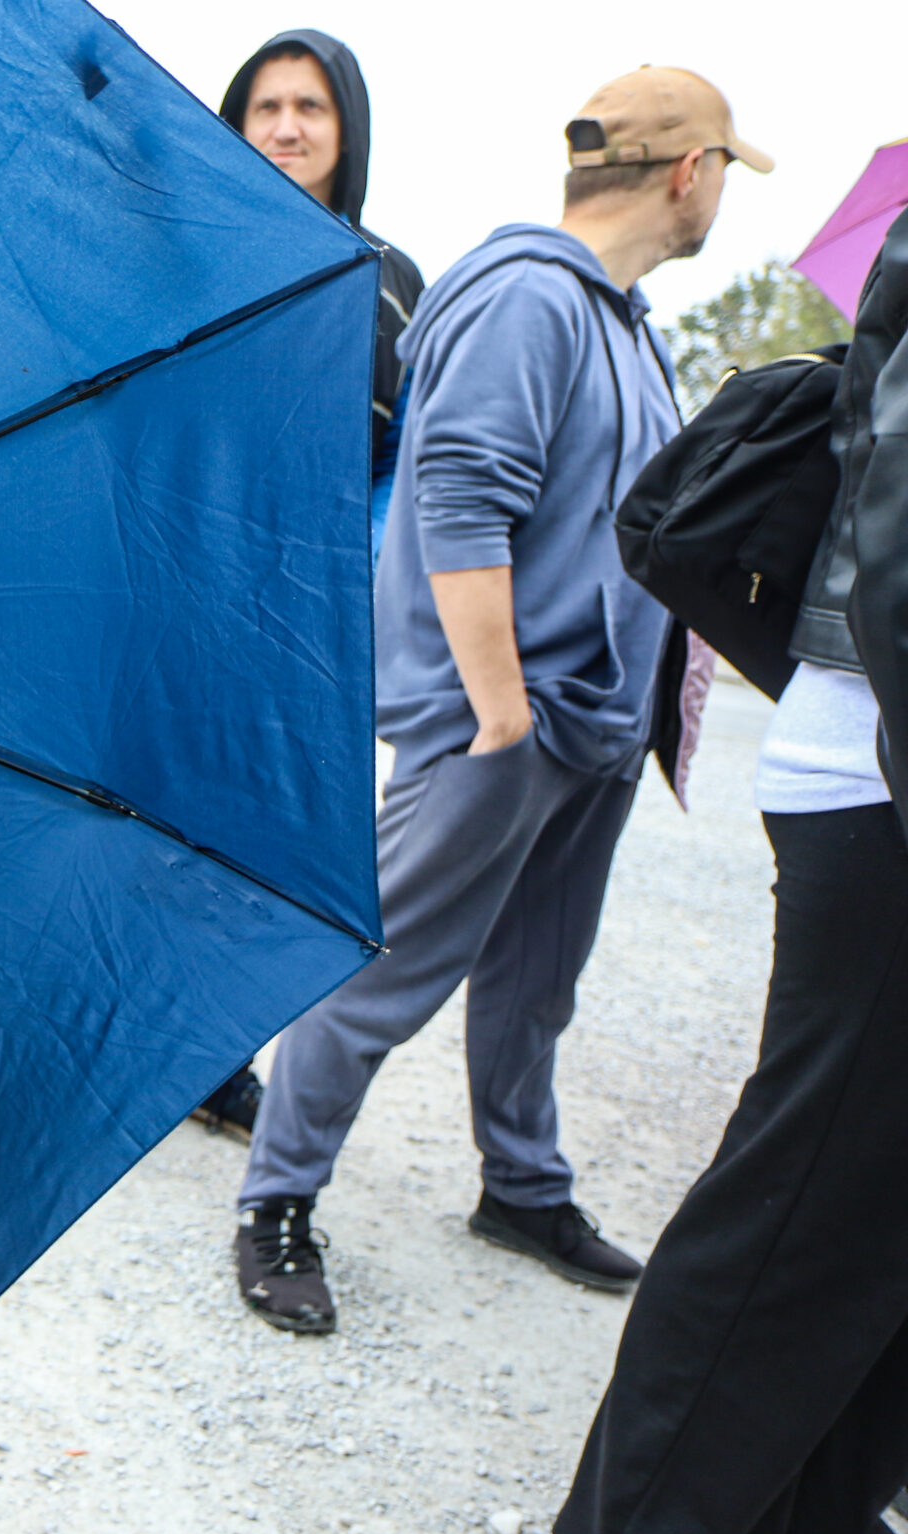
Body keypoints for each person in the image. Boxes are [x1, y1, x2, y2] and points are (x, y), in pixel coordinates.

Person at [231, 67, 768, 1335]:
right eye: (726, 173)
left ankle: (522, 1184)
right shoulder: (528, 298)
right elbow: (461, 500)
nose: (722, 195)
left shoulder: (624, 320)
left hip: (591, 721)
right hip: (510, 717)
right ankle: (276, 1200)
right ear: (688, 173)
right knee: (386, 971)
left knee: (537, 979)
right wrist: (501, 707)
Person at [546, 206, 908, 1534]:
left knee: (880, 1179)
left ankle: (818, 1494)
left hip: (871, 744)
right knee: (814, 1169)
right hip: (883, 761)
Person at [194, 28, 427, 1141]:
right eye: (265, 106)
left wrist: (359, 580)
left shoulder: (392, 281)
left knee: (274, 837)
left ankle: (220, 1049)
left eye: (311, 108)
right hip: (186, 580)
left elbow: (401, 460)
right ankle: (154, 1031)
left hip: (314, 610)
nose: (286, 128)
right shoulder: (192, 253)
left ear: (349, 132)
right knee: (168, 814)